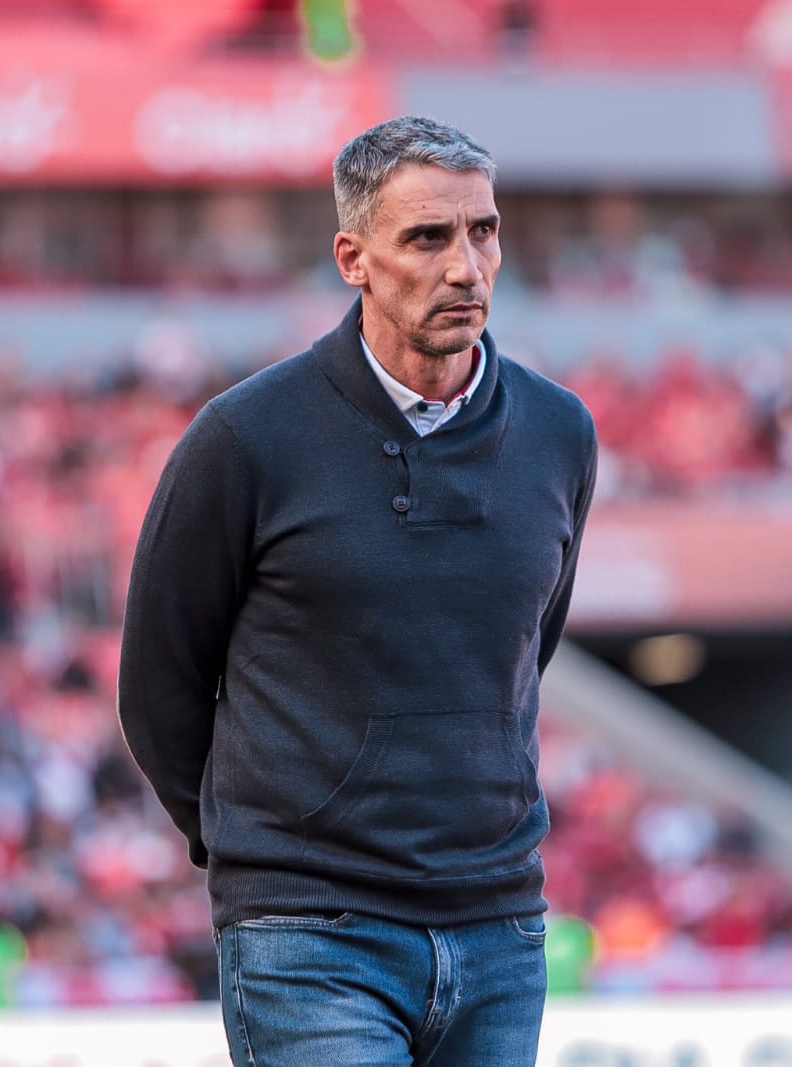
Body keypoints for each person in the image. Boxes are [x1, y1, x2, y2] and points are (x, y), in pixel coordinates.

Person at [117, 115, 598, 1066]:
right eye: (427, 237)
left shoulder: (560, 431)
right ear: (354, 257)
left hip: (500, 927)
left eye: (483, 231)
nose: (465, 266)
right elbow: (158, 686)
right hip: (311, 934)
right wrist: (262, 852)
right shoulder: (246, 438)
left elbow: (522, 650)